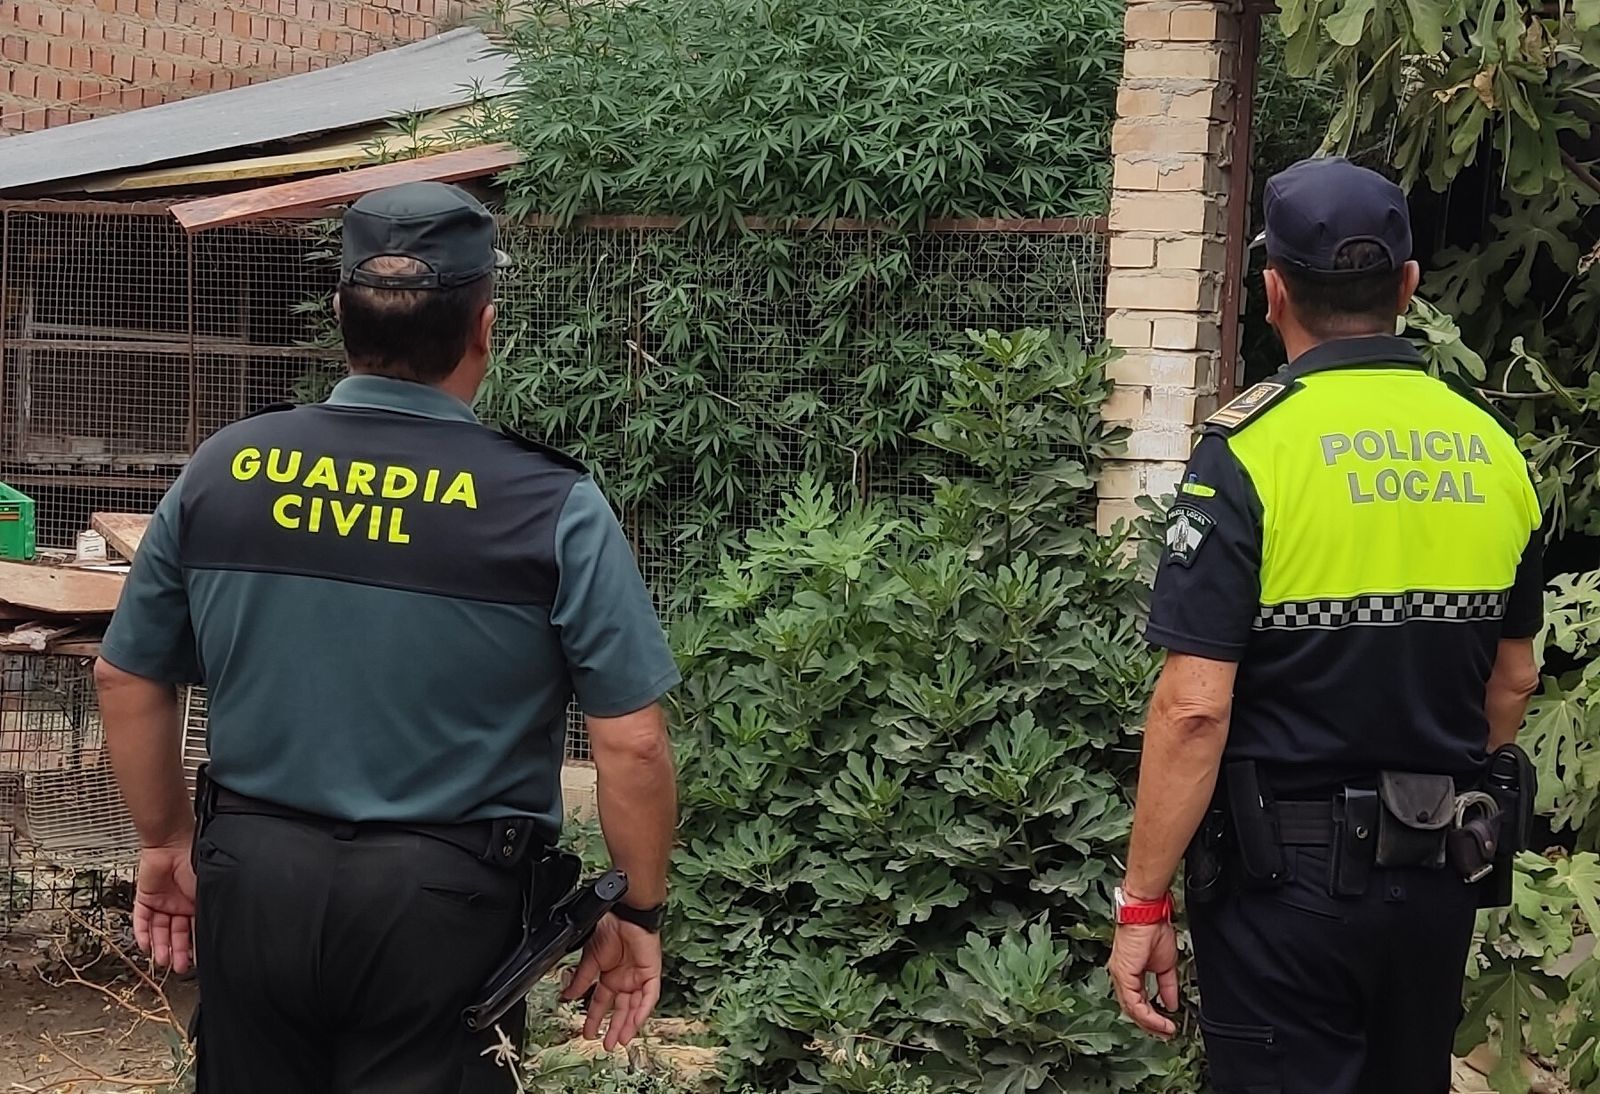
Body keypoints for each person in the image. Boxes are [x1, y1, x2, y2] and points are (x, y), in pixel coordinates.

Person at [95, 181, 681, 1094]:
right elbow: (633, 743)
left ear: (339, 315)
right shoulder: (548, 504)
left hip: (253, 882)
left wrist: (165, 842)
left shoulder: (226, 468)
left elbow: (125, 679)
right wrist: (636, 909)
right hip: (443, 907)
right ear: (484, 325)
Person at [1106, 157, 1545, 1093]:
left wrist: (1143, 904)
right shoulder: (1491, 449)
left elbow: (1192, 709)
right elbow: (1512, 682)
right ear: (1409, 286)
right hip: (1439, 871)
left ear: (1272, 292)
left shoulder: (1250, 450)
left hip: (1286, 891)